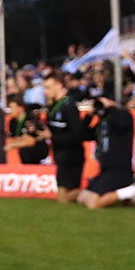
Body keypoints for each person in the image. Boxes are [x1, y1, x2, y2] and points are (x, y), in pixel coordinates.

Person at [78, 98, 135, 209]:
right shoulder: (102, 124)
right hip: (105, 170)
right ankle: (125, 192)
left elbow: (121, 124)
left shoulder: (123, 115)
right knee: (83, 198)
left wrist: (109, 108)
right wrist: (89, 115)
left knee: (93, 204)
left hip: (119, 170)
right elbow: (82, 135)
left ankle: (133, 190)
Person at [41, 73, 90, 203]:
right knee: (65, 195)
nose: (46, 91)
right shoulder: (53, 107)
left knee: (63, 198)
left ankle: (98, 192)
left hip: (71, 156)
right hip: (61, 155)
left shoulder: (69, 106)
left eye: (48, 87)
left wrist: (52, 136)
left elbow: (77, 135)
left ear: (59, 86)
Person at [4, 96, 50, 165]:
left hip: (38, 146)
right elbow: (13, 138)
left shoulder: (30, 119)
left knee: (24, 151)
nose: (10, 110)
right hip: (22, 144)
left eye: (12, 107)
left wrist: (13, 144)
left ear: (20, 108)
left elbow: (31, 140)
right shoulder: (12, 122)